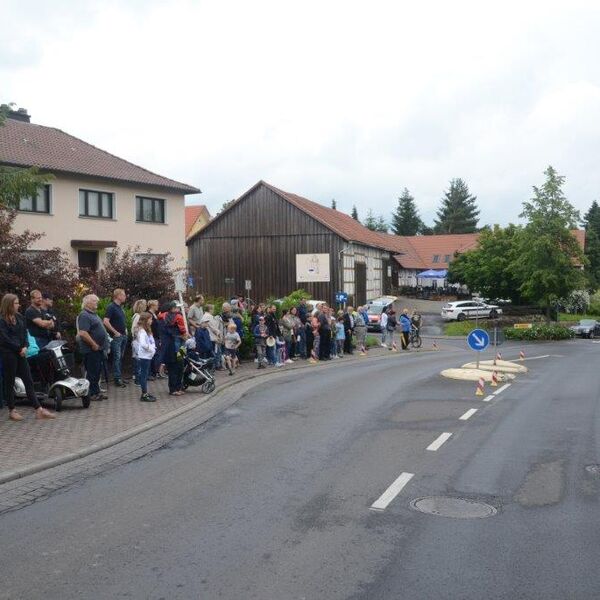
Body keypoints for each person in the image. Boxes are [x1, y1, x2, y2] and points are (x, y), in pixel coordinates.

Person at [0, 293, 56, 421]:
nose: (18, 305)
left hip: (22, 352)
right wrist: (19, 348)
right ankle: (12, 410)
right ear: (9, 304)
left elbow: (25, 333)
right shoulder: (1, 320)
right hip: (9, 353)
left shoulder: (19, 317)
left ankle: (38, 409)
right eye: (16, 303)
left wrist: (25, 346)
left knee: (28, 380)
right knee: (9, 381)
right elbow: (4, 338)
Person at [77, 294, 109, 402]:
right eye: (95, 301)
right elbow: (83, 333)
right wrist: (93, 344)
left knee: (96, 372)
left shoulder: (93, 314)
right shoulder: (84, 315)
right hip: (91, 349)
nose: (97, 303)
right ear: (87, 303)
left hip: (98, 349)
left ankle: (96, 392)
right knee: (92, 372)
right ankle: (90, 394)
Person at [158, 301, 187, 395]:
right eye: (176, 308)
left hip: (176, 346)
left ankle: (178, 388)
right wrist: (181, 335)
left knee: (178, 366)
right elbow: (170, 332)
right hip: (174, 347)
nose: (178, 309)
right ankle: (174, 389)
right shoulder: (167, 319)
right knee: (175, 367)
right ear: (172, 309)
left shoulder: (165, 317)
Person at [103, 288, 128, 387]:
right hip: (116, 337)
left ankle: (119, 376)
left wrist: (125, 329)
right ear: (118, 296)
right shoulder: (111, 307)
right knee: (117, 358)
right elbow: (105, 321)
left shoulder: (120, 308)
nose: (125, 297)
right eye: (124, 295)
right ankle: (117, 379)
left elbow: (121, 321)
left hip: (123, 336)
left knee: (120, 357)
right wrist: (115, 332)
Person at [134, 312, 156, 402]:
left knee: (145, 374)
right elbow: (143, 344)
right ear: (146, 320)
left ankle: (145, 393)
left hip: (147, 356)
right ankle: (144, 394)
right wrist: (151, 349)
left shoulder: (146, 330)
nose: (151, 321)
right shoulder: (142, 331)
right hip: (144, 356)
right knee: (144, 375)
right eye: (150, 319)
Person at [131, 299, 147, 386]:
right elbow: (134, 328)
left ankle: (137, 377)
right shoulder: (137, 316)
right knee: (138, 360)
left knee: (137, 359)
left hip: (137, 340)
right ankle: (137, 379)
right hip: (137, 341)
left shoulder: (137, 316)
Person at [147, 299, 162, 378]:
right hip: (153, 337)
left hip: (157, 337)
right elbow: (149, 326)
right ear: (152, 306)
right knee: (153, 355)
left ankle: (155, 372)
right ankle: (152, 373)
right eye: (156, 305)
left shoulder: (155, 314)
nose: (158, 306)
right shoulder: (149, 314)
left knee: (157, 355)